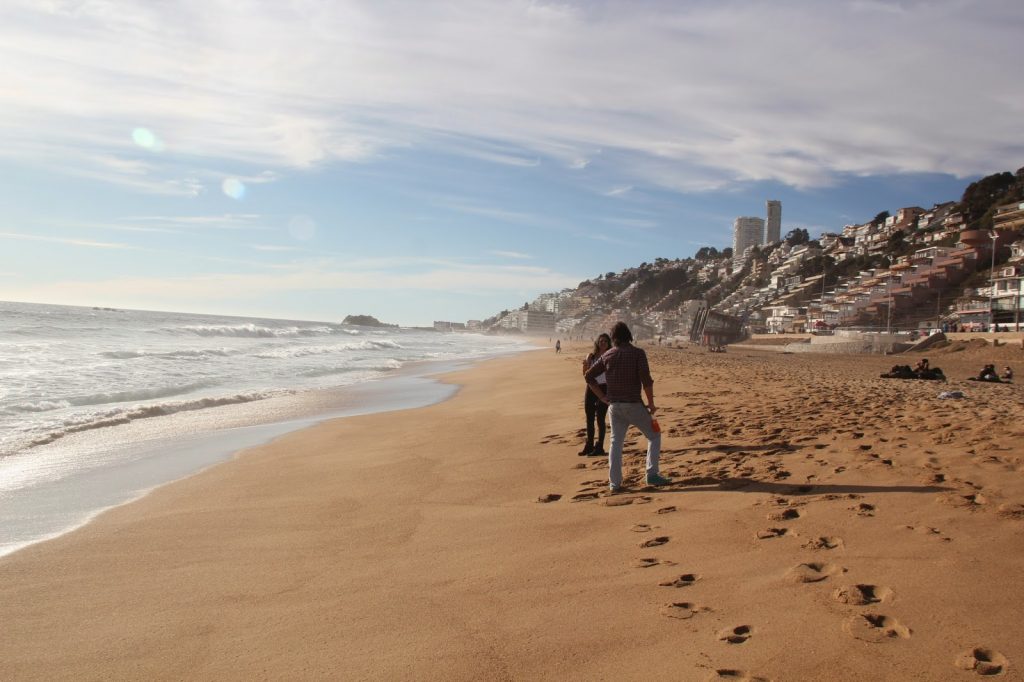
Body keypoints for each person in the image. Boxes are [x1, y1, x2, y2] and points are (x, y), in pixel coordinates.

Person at [584, 322, 669, 492]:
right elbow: (646, 380)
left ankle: (614, 483)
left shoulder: (608, 355)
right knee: (654, 436)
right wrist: (651, 404)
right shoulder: (638, 353)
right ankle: (652, 474)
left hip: (614, 406)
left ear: (613, 338)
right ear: (629, 335)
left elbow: (589, 376)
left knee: (616, 443)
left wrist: (602, 397)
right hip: (633, 404)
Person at [579, 333, 611, 456]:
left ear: (609, 344)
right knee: (589, 417)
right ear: (597, 342)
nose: (603, 343)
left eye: (605, 341)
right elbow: (585, 374)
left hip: (605, 388)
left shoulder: (610, 356)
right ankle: (589, 445)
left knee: (600, 418)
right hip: (591, 387)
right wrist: (585, 365)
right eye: (601, 341)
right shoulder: (591, 356)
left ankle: (599, 447)